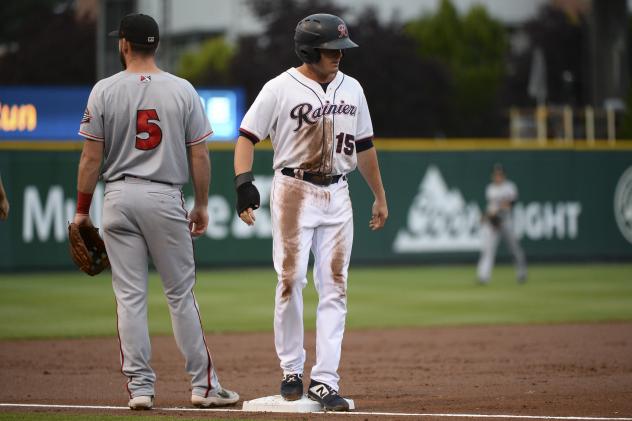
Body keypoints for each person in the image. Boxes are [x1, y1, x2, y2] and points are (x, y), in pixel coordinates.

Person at [73, 13, 238, 410]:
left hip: (117, 197)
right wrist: (200, 203)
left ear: (123, 45)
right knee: (180, 295)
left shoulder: (104, 90)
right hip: (164, 196)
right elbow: (199, 153)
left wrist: (81, 212)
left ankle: (141, 389)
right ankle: (204, 387)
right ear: (157, 45)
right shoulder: (182, 90)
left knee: (129, 297)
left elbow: (90, 157)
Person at [233, 13, 388, 412]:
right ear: (307, 49)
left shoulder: (352, 88)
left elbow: (365, 146)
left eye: (340, 48)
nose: (338, 55)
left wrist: (379, 195)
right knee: (290, 281)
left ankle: (324, 380)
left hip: (338, 191)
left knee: (335, 286)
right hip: (294, 190)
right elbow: (247, 136)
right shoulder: (279, 88)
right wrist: (243, 183)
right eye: (330, 49)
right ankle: (291, 370)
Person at [477, 163, 527, 284]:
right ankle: (483, 276)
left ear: (504, 175)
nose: (498, 176)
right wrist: (486, 216)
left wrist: (494, 211)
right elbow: (491, 209)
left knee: (515, 249)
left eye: (500, 174)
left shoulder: (509, 187)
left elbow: (510, 204)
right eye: (496, 174)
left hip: (507, 221)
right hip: (494, 223)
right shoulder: (490, 189)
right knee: (488, 250)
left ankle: (521, 273)